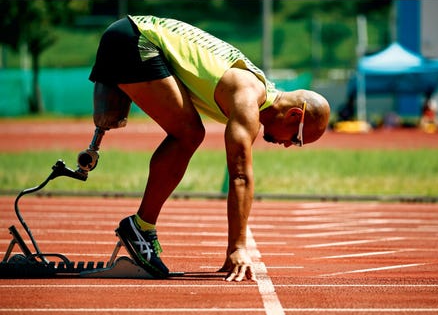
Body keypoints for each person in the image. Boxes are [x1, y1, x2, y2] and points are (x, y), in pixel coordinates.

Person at [89, 15, 330, 282]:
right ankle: (140, 227)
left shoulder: (254, 88)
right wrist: (237, 247)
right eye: (296, 139)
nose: (288, 145)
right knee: (189, 134)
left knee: (190, 133)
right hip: (134, 38)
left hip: (131, 34)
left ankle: (141, 227)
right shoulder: (248, 98)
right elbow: (239, 175)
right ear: (294, 116)